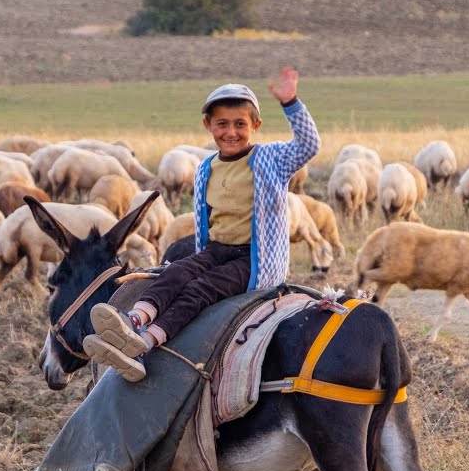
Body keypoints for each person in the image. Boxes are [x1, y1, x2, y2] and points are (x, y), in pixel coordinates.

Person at [84, 66, 319, 381]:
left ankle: (145, 344)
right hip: (216, 250)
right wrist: (200, 257)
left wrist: (291, 103)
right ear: (208, 125)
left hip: (253, 258)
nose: (231, 132)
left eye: (240, 124)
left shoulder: (270, 160)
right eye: (222, 124)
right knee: (176, 272)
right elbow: (206, 222)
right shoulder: (206, 168)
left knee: (198, 290)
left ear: (256, 126)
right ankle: (134, 321)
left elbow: (308, 145)